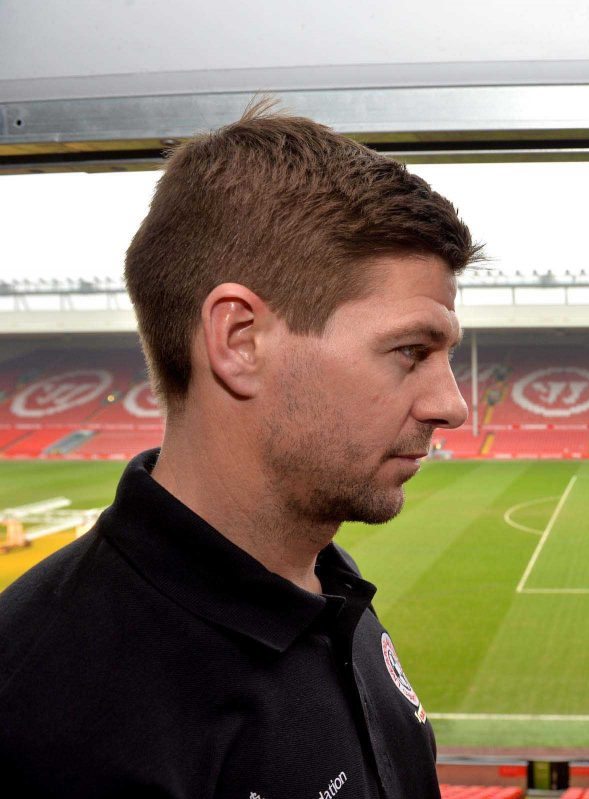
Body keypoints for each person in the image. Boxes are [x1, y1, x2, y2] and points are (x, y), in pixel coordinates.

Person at [0, 102, 478, 797]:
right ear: (240, 340)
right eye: (411, 351)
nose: (453, 405)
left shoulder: (332, 587)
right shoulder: (47, 716)